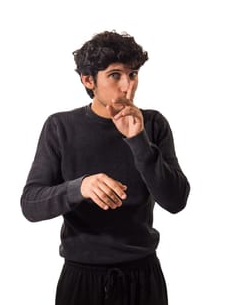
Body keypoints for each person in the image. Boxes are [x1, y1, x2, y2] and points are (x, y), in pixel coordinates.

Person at [21, 31, 190, 305]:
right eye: (115, 75)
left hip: (143, 276)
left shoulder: (154, 124)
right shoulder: (60, 127)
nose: (128, 87)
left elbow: (176, 200)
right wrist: (80, 187)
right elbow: (30, 204)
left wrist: (138, 141)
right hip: (81, 278)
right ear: (88, 80)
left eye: (133, 74)